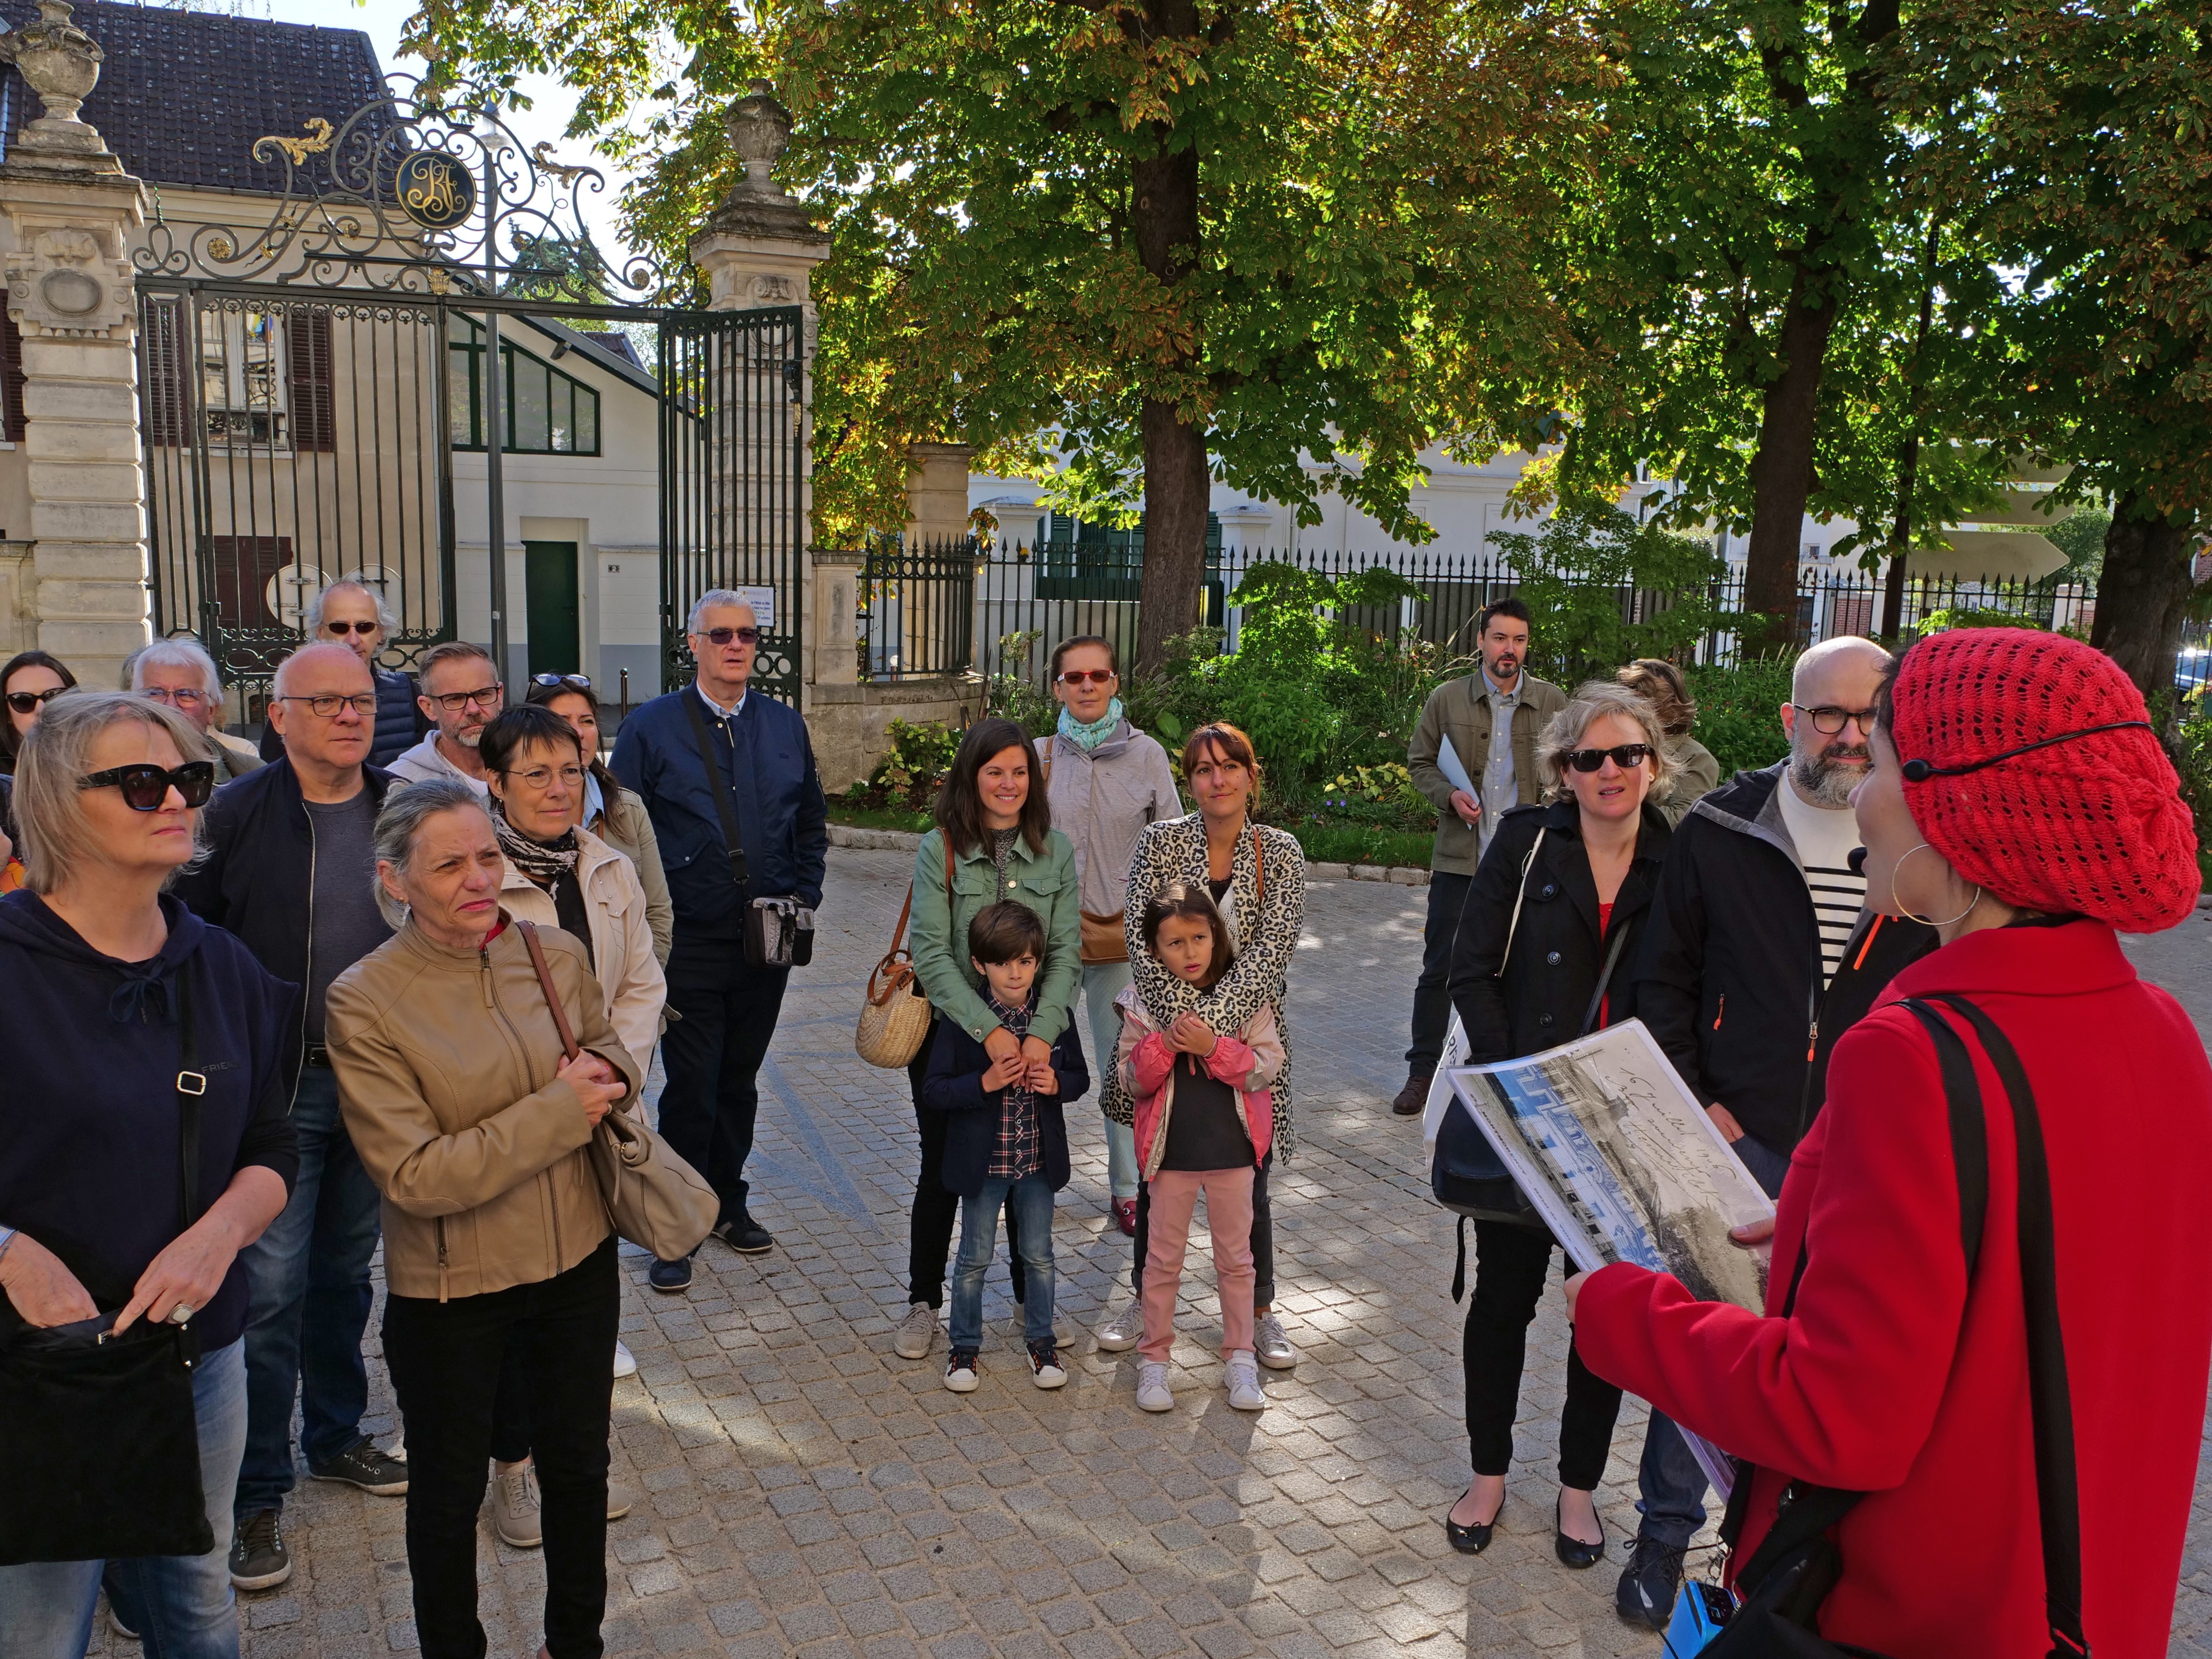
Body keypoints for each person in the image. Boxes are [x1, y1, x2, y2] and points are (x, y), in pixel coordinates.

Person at [1573, 628, 2212, 1657]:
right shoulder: (2166, 1033)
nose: (1861, 791)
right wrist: (1832, 1238)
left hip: (1917, 1610)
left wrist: (1623, 1311)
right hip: (2088, 1603)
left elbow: (1838, 1415)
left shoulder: (1910, 1056)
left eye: (1879, 762)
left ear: (1954, 806)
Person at [1612, 632, 1934, 1622]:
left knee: (1827, 1361)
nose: (1847, 737)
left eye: (1867, 717)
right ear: (1790, 720)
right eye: (1827, 715)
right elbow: (1660, 976)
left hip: (1862, 1152)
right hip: (1739, 1133)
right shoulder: (1722, 825)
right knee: (1711, 1345)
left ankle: (1770, 1559)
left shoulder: (1923, 842)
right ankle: (1662, 1537)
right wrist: (1698, 1099)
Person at [0, 692, 297, 1659]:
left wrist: (220, 1236)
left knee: (197, 1607)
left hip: (198, 1356)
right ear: (54, 803)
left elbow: (270, 1148)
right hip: (38, 1371)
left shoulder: (225, 967)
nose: (175, 798)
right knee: (41, 1627)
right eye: (139, 781)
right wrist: (7, 1251)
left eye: (189, 779)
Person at [328, 780, 641, 1659]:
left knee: (579, 1471)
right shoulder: (365, 1000)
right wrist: (558, 1108)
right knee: (446, 1493)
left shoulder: (553, 954)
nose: (478, 878)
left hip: (577, 1262)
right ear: (396, 882)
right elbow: (416, 1174)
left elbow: (612, 1061)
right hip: (452, 1290)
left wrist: (604, 1082)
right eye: (450, 864)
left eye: (488, 857)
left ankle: (574, 1642)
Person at [174, 641, 405, 1593]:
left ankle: (337, 1436)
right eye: (327, 701)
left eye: (361, 699)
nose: (350, 715)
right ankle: (256, 1491)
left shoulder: (405, 808)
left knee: (347, 1274)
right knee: (267, 1291)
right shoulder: (231, 815)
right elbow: (187, 944)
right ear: (280, 716)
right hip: (276, 1090)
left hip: (379, 1084)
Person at [1440, 682, 1677, 1568]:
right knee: (1501, 1304)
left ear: (1651, 764)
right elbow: (1470, 970)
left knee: (1603, 1319)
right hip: (1526, 1117)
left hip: (1621, 1128)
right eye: (1588, 757)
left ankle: (1578, 1491)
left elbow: (1690, 989)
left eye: (1625, 755)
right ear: (1562, 769)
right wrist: (1516, 1089)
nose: (1608, 771)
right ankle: (1488, 1476)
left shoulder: (1678, 857)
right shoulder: (1524, 843)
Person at [609, 591, 826, 1284]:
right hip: (690, 943)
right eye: (721, 635)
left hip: (768, 941)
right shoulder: (650, 728)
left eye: (747, 635)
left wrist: (805, 894)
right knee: (692, 1086)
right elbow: (621, 831)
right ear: (693, 644)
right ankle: (676, 1225)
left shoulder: (784, 726)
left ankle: (730, 1204)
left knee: (739, 1081)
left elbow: (811, 824)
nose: (736, 646)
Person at [1101, 723, 1307, 1369]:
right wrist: (1179, 1029)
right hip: (1163, 1036)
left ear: (1251, 773)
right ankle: (1144, 1301)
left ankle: (1260, 1312)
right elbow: (1141, 940)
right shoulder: (1161, 843)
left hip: (1246, 1038)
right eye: (1201, 769)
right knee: (1156, 1173)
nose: (1216, 780)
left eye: (1228, 767)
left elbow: (1269, 957)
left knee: (1250, 1181)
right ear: (1188, 780)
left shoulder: (1279, 852)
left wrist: (1210, 1032)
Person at [894, 717, 1081, 1361]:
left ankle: (1034, 1306)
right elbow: (929, 953)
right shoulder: (938, 847)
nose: (1008, 784)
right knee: (946, 1169)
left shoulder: (1054, 851)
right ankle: (924, 1303)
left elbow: (1064, 955)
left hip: (1035, 1039)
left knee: (1024, 1165)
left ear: (1034, 779)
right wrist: (990, 1032)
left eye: (1019, 771)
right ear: (971, 777)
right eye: (994, 771)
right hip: (953, 1037)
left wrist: (1040, 1035)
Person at [1033, 635, 1183, 1238]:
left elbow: (1174, 844)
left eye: (1099, 675)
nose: (1088, 686)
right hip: (1045, 944)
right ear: (1058, 688)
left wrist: (1168, 930)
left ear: (1116, 682)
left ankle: (1129, 1189)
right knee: (1034, 1059)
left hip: (1125, 945)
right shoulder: (1040, 755)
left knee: (1128, 1072)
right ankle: (1030, 1177)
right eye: (1075, 678)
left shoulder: (1148, 756)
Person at [1396, 599, 1569, 1114]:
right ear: (1481, 642)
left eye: (1518, 640)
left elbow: (1569, 772)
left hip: (1529, 863)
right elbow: (1420, 762)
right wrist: (1449, 797)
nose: (1508, 650)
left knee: (1527, 970)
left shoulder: (1554, 702)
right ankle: (1422, 1072)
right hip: (1460, 860)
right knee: (1441, 970)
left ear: (1526, 646)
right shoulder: (1447, 699)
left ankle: (1513, 1075)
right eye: (1499, 638)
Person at [1114, 883, 1280, 1415]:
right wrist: (1163, 1044)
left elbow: (1266, 1068)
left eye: (1199, 938)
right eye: (1174, 942)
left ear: (1217, 937)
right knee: (1162, 1261)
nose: (1189, 952)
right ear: (1153, 948)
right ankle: (1156, 1359)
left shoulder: (1245, 997)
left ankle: (1239, 1358)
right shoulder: (1142, 1002)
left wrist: (1215, 1047)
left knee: (1237, 1261)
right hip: (1170, 1159)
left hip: (1234, 1155)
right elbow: (1129, 1079)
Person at [922, 901, 1089, 1393]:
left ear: (1039, 962)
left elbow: (1079, 1077)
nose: (1015, 974)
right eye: (1002, 963)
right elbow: (935, 1090)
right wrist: (986, 1082)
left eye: (1026, 962)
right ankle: (964, 1348)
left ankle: (1041, 1341)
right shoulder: (963, 1021)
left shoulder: (1053, 1016)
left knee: (1039, 1256)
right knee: (973, 1257)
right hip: (984, 1165)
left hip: (1037, 1162)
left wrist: (1057, 1083)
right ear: (979, 964)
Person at [528, 674, 673, 964]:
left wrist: (640, 992)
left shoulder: (627, 809)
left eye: (587, 721)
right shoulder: (507, 814)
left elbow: (657, 911)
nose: (579, 732)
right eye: (563, 720)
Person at [259, 582, 425, 770]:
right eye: (340, 628)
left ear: (380, 632)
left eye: (364, 627)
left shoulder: (407, 691)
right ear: (321, 632)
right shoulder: (295, 694)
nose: (353, 640)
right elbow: (274, 770)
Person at [129, 639, 264, 784]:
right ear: (135, 705)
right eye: (155, 693)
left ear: (212, 710)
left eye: (186, 695)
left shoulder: (252, 776)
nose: (170, 706)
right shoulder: (108, 767)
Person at [1615, 658, 1717, 826]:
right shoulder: (1611, 747)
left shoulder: (1695, 758)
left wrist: (1610, 812)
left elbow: (1684, 820)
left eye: (1631, 706)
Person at [389, 641, 502, 793]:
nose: (473, 710)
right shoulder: (403, 783)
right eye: (455, 699)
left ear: (500, 695)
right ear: (428, 708)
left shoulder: (527, 762)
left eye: (483, 694)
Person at [0, 649, 76, 774]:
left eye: (54, 696)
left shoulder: (100, 759)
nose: (41, 709)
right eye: (23, 701)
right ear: (7, 713)